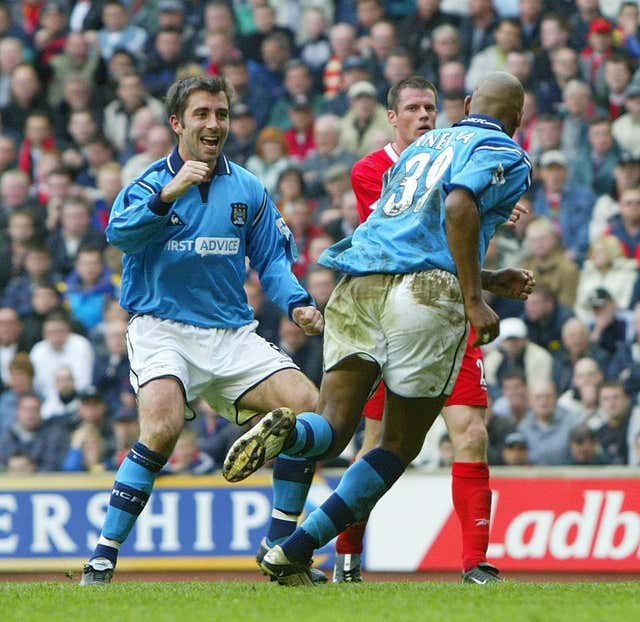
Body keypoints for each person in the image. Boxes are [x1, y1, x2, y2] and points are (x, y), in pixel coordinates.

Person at [223, 72, 534, 586]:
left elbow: (410, 219)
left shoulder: (426, 143)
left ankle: (291, 433)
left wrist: (489, 276)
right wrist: (476, 298)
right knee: (396, 446)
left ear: (466, 103)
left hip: (354, 282)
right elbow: (458, 206)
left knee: (332, 429)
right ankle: (296, 548)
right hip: (424, 295)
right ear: (517, 118)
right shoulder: (503, 150)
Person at [79, 75, 324, 586]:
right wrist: (172, 191)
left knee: (309, 403)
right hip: (161, 327)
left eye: (221, 114)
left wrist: (298, 303)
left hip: (230, 333)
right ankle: (102, 557)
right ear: (177, 124)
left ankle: (279, 548)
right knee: (163, 428)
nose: (214, 124)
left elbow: (273, 262)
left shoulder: (249, 188)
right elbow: (118, 233)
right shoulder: (149, 182)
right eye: (202, 114)